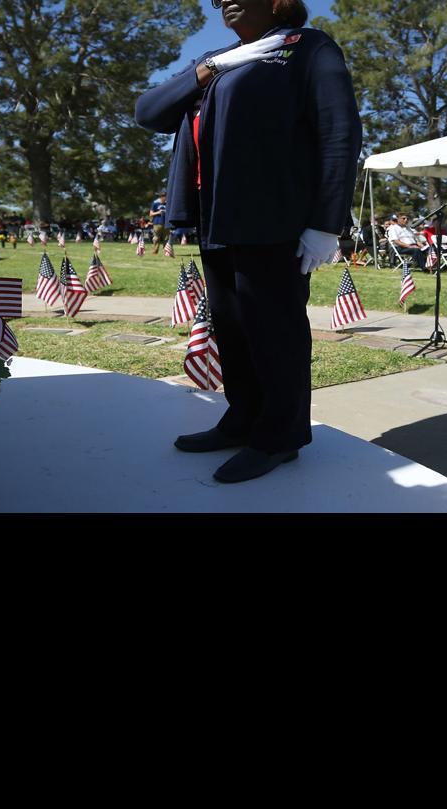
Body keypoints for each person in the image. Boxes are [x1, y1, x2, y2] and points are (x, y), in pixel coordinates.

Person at [136, 0, 362, 483]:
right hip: (215, 217)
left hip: (274, 218)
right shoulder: (220, 57)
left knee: (273, 331)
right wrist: (209, 68)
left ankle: (280, 436)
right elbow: (148, 112)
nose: (225, 0)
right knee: (233, 327)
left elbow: (339, 132)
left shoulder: (307, 48)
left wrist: (327, 222)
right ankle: (242, 419)